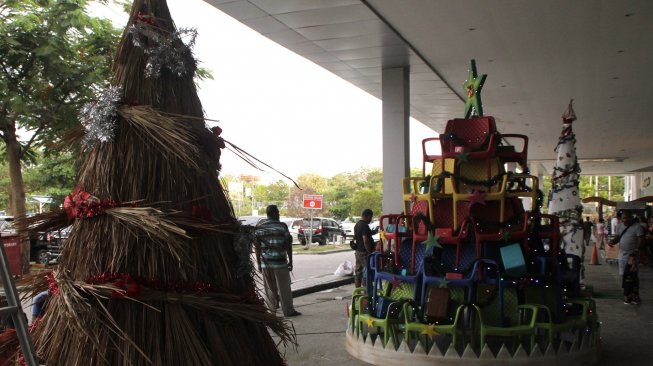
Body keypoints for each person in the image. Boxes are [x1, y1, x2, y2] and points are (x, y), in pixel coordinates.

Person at [253, 205, 301, 317]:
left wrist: (259, 263)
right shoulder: (282, 226)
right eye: (278, 213)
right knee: (284, 288)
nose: (279, 214)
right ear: (274, 214)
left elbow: (257, 247)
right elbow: (288, 244)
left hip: (266, 264)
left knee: (269, 288)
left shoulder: (260, 227)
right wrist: (291, 262)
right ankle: (288, 311)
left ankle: (271, 312)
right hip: (280, 263)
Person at [610, 211, 645, 281]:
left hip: (633, 254)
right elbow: (618, 237)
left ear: (631, 218)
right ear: (621, 218)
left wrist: (636, 251)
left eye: (627, 218)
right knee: (622, 272)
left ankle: (632, 289)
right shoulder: (619, 226)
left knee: (632, 272)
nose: (625, 220)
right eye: (623, 218)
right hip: (622, 253)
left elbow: (641, 240)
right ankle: (625, 287)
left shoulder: (637, 226)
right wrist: (612, 242)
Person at [353, 209, 374, 288]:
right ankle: (366, 292)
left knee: (358, 272)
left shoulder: (357, 224)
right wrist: (369, 252)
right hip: (364, 252)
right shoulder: (365, 225)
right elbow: (366, 240)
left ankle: (357, 292)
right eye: (371, 217)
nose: (371, 219)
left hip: (358, 251)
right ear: (368, 216)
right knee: (367, 272)